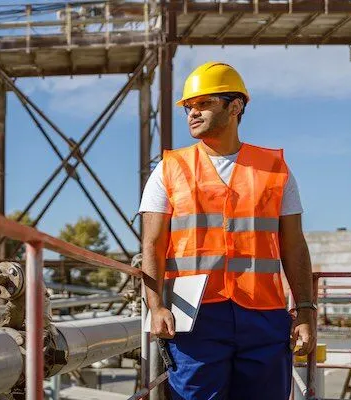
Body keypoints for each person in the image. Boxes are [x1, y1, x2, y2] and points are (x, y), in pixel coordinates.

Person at [138, 61, 317, 399]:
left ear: (235, 106)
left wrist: (305, 311)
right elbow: (152, 243)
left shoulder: (275, 169)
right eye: (189, 106)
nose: (192, 112)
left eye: (204, 103)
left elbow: (294, 245)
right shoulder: (169, 169)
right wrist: (156, 306)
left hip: (263, 315)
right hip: (193, 317)